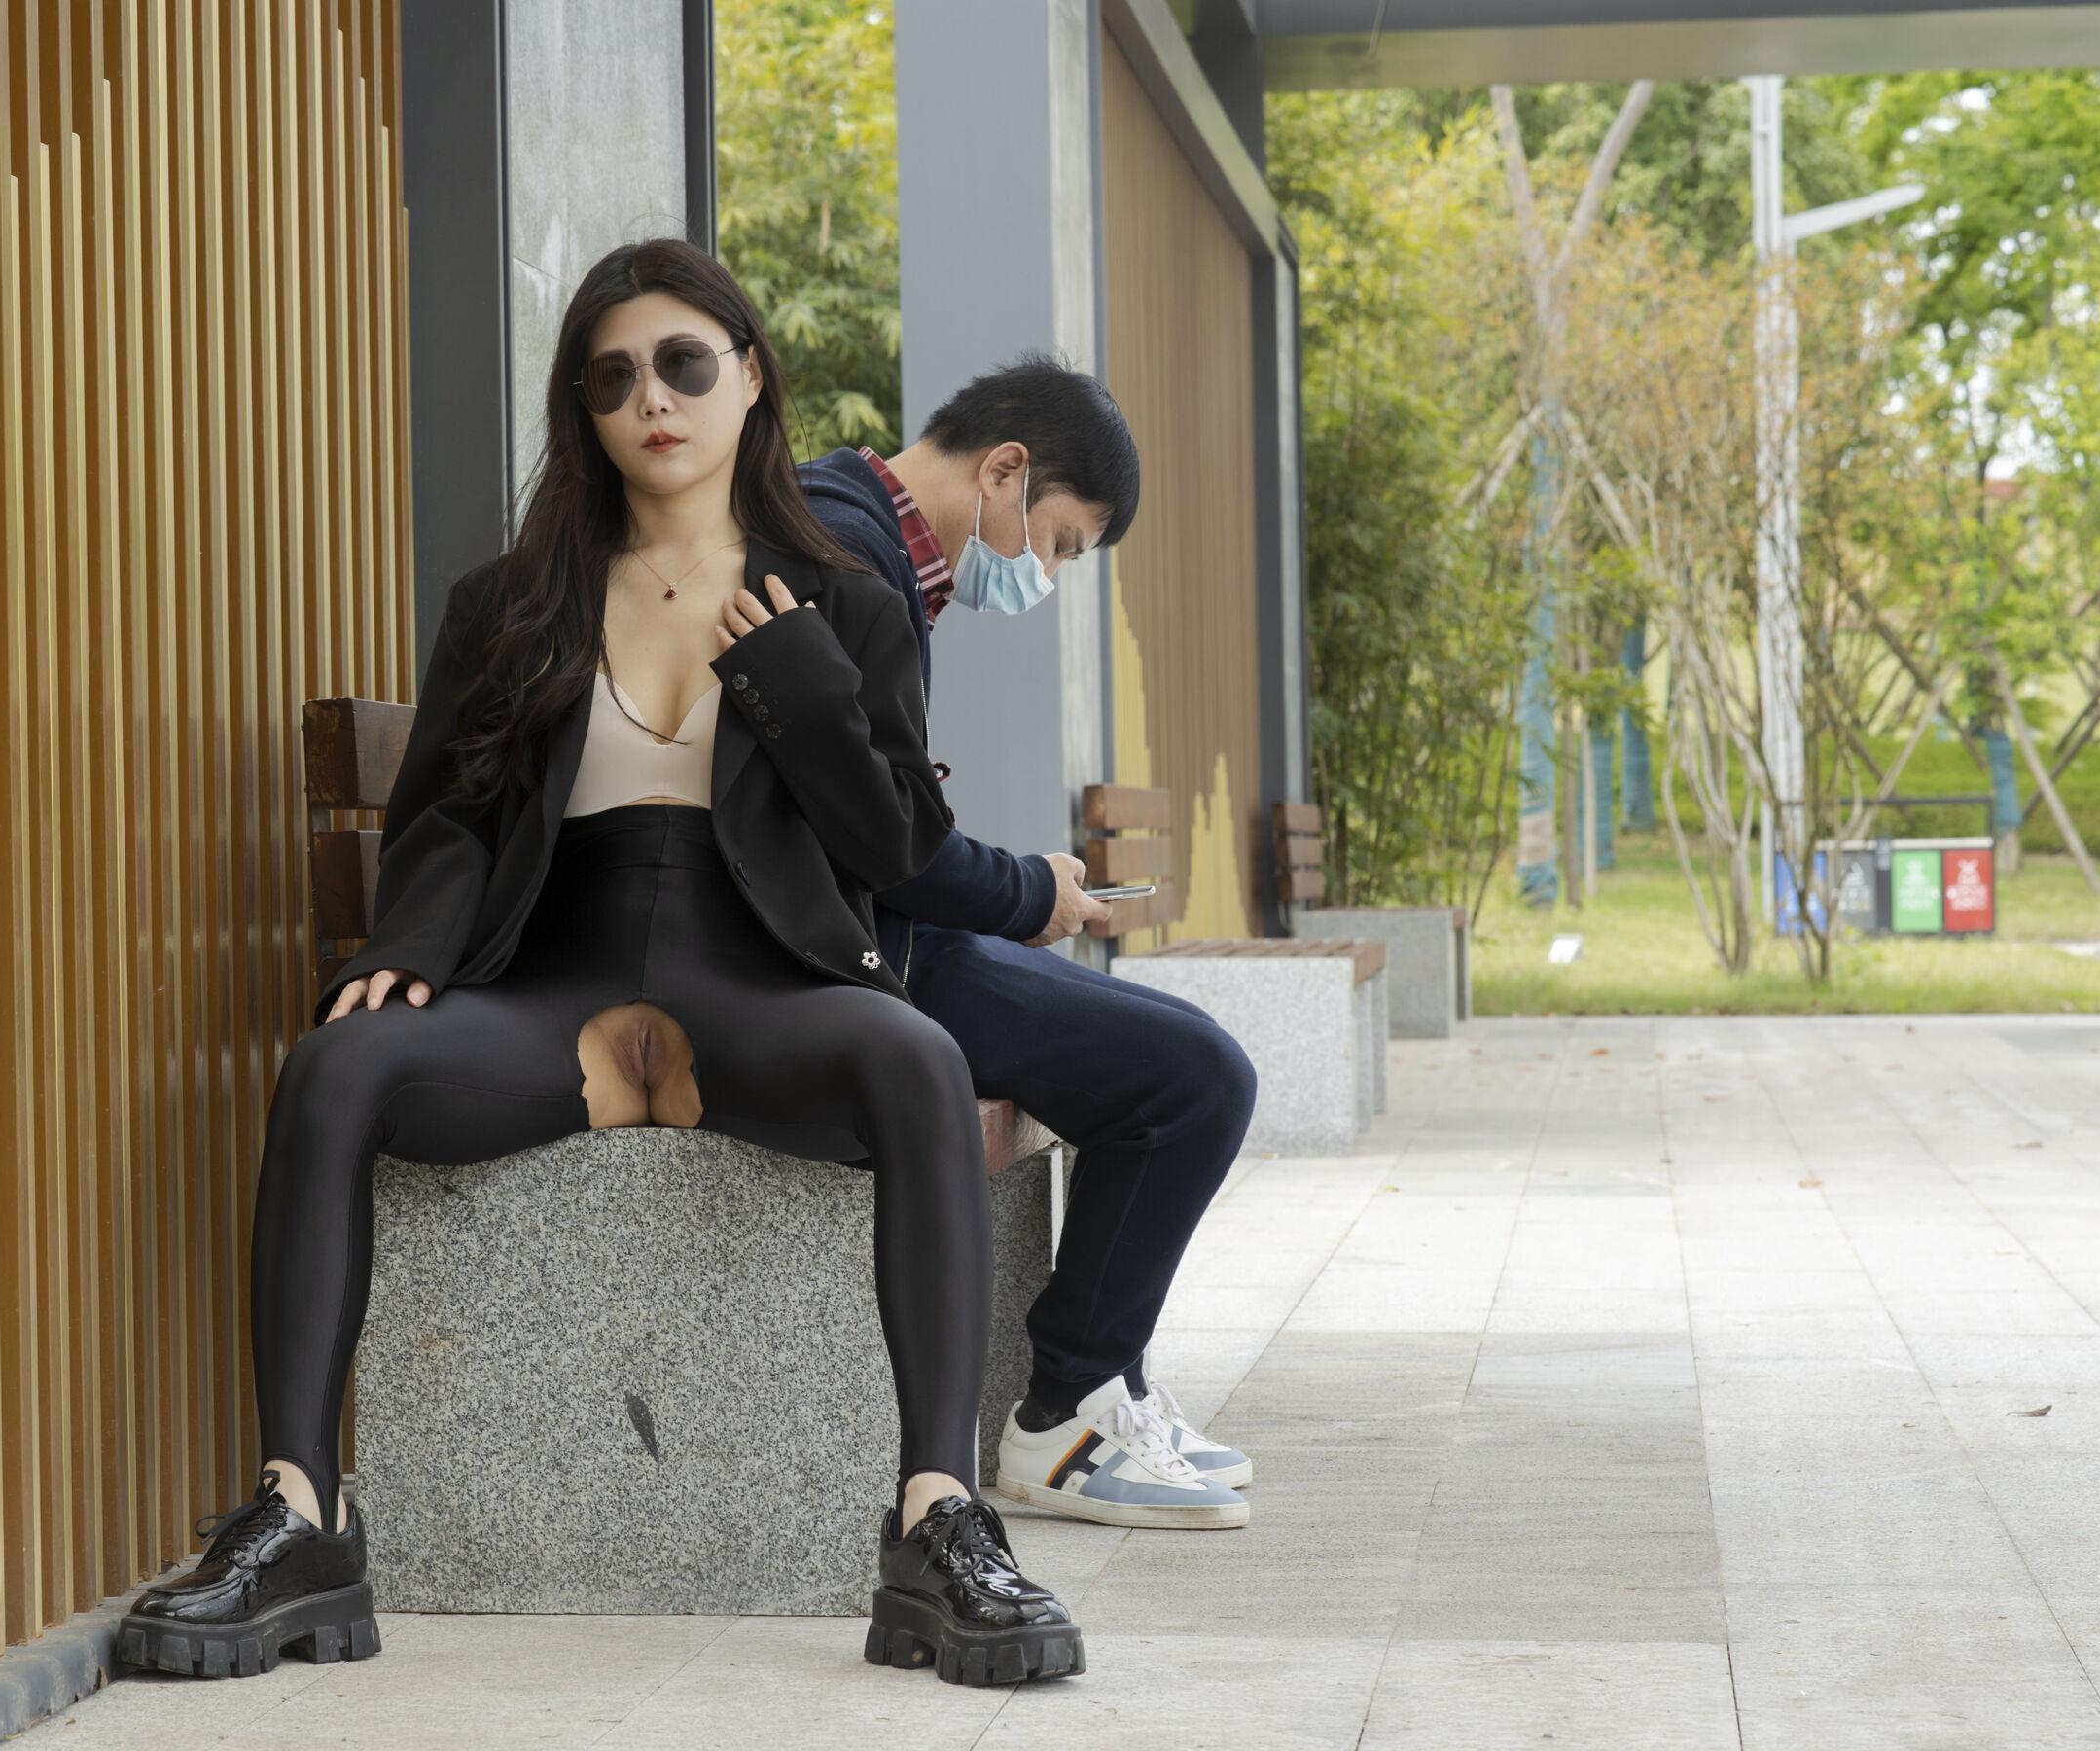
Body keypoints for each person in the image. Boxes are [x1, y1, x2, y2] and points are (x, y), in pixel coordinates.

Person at [115, 239, 1083, 1688]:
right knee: (338, 1064)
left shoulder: (846, 604)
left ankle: (937, 1521)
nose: (653, 400)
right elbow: (448, 812)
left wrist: (804, 688)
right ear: (585, 406)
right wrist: (406, 951)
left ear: (750, 379)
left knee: (918, 1058)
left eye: (685, 364)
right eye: (614, 376)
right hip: (550, 983)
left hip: (761, 986)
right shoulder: (511, 603)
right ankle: (301, 1518)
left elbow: (892, 847)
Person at [798, 361, 1262, 1531]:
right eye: (1058, 543)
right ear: (1004, 470)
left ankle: (1105, 1387)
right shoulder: (847, 555)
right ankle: (1065, 1415)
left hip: (880, 942)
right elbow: (885, 842)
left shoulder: (864, 542)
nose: (1043, 575)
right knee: (1196, 1077)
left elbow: (880, 823)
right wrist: (1027, 895)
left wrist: (1022, 891)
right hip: (855, 965)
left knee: (1188, 1056)